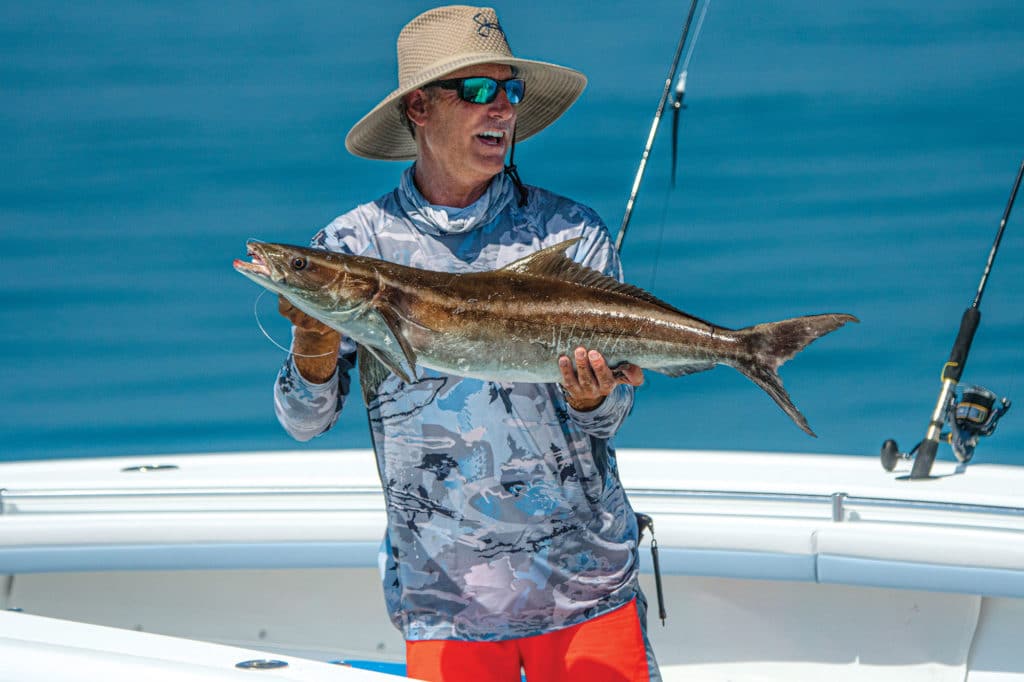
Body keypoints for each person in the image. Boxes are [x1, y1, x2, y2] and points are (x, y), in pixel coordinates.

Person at [274, 6, 659, 681]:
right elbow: (304, 420)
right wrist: (311, 341)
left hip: (586, 588)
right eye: (480, 91)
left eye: (510, 91)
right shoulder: (351, 248)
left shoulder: (568, 234)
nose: (503, 109)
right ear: (419, 108)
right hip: (446, 601)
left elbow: (609, 417)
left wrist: (593, 398)